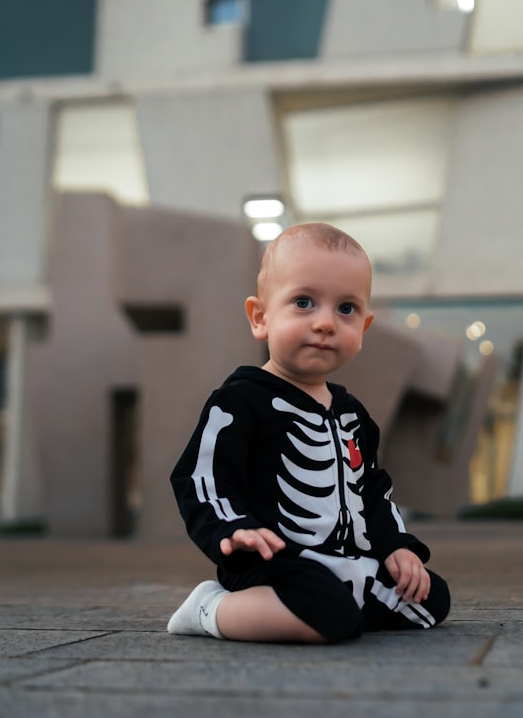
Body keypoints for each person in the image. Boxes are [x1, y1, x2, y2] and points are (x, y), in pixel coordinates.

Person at [168, 222, 450, 644]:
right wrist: (232, 528)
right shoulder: (239, 401)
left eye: (346, 309)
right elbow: (201, 476)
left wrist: (397, 547)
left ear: (363, 330)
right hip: (277, 560)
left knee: (431, 597)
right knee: (328, 613)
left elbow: (373, 490)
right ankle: (212, 607)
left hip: (350, 559)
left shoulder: (352, 414)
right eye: (304, 302)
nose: (325, 323)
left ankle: (335, 608)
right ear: (260, 318)